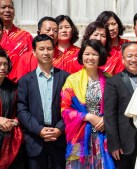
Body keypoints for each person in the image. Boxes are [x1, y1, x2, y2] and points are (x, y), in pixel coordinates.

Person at [60, 39, 114, 169]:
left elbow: (116, 107)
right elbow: (64, 109)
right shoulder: (72, 80)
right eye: (87, 54)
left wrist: (106, 119)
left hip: (104, 135)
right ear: (81, 56)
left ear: (100, 56)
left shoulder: (110, 79)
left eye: (94, 54)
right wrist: (88, 116)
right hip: (79, 137)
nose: (90, 57)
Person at [17, 34, 69, 169]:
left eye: (49, 49)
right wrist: (39, 130)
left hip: (59, 139)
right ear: (34, 52)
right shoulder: (25, 81)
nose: (46, 52)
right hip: (35, 140)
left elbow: (71, 108)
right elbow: (22, 109)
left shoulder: (65, 78)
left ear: (54, 51)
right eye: (41, 49)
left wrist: (59, 128)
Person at [104, 42, 137, 169]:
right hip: (124, 144)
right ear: (123, 59)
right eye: (129, 56)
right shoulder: (113, 82)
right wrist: (114, 144)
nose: (133, 60)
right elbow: (110, 115)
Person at [16, 16, 59, 80]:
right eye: (48, 30)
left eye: (55, 31)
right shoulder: (26, 59)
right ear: (38, 33)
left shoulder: (64, 58)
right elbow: (22, 84)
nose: (52, 33)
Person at [0, 49, 22, 169]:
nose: (2, 67)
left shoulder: (14, 88)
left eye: (5, 64)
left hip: (9, 140)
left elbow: (21, 110)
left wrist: (13, 122)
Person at [96, 11, 130, 76]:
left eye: (113, 24)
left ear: (118, 25)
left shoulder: (128, 45)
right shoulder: (98, 49)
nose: (111, 28)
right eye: (107, 25)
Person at [0, 0, 32, 66]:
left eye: (10, 7)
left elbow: (31, 61)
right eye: (3, 7)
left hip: (21, 75)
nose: (7, 10)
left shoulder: (26, 36)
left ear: (14, 12)